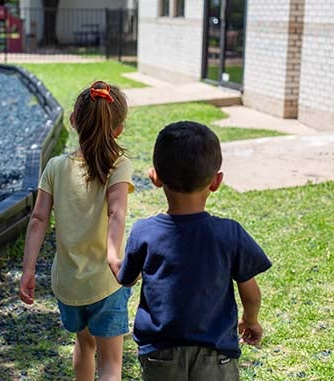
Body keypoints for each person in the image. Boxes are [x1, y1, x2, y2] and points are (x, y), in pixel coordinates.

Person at [117, 121, 272, 381]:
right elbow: (250, 291)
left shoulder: (144, 232)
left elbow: (127, 278)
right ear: (216, 181)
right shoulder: (229, 233)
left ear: (154, 177)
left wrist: (112, 259)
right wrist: (251, 319)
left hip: (160, 353)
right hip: (216, 354)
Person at [19, 81, 134, 381]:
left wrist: (28, 270)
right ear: (119, 129)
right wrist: (112, 256)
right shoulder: (118, 166)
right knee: (111, 363)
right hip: (106, 283)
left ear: (72, 121)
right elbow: (117, 212)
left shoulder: (55, 167)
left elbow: (37, 220)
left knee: (84, 343)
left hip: (69, 286)